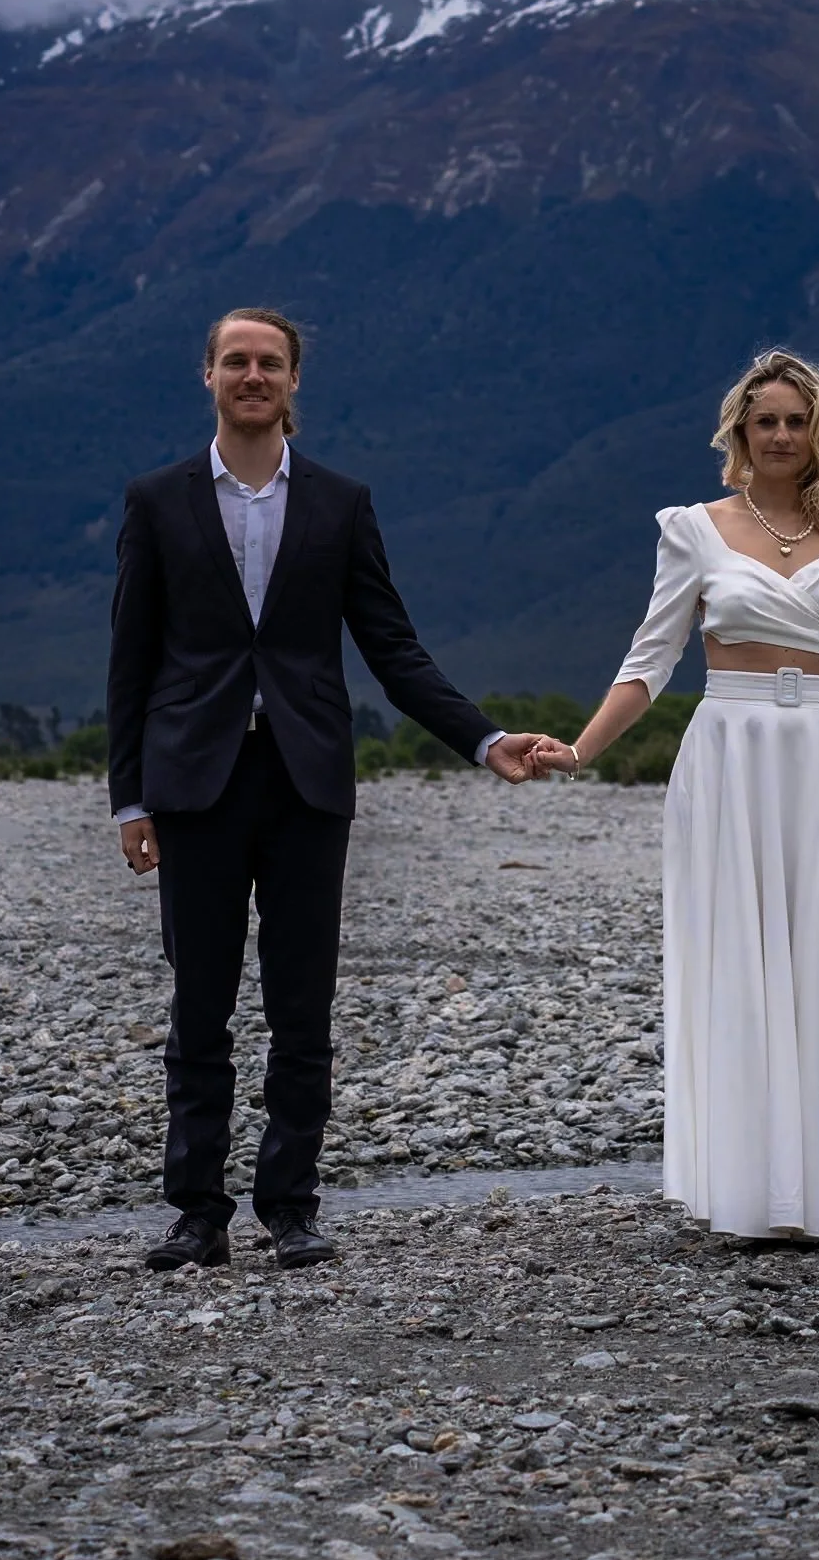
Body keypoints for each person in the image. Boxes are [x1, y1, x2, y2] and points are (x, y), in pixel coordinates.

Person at [108, 306, 543, 1274]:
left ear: (293, 380)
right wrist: (129, 799)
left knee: (302, 1006)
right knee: (201, 1005)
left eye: (268, 362)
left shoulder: (340, 503)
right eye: (235, 361)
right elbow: (130, 659)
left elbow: (391, 648)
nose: (251, 375)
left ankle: (290, 1205)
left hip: (306, 781)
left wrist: (483, 739)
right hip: (193, 784)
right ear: (207, 376)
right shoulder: (158, 499)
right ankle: (196, 1212)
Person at [530, 351, 819, 1244]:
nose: (779, 435)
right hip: (730, 755)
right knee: (744, 960)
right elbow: (650, 660)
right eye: (764, 420)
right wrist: (581, 749)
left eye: (794, 420)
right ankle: (761, 1198)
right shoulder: (693, 529)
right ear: (739, 432)